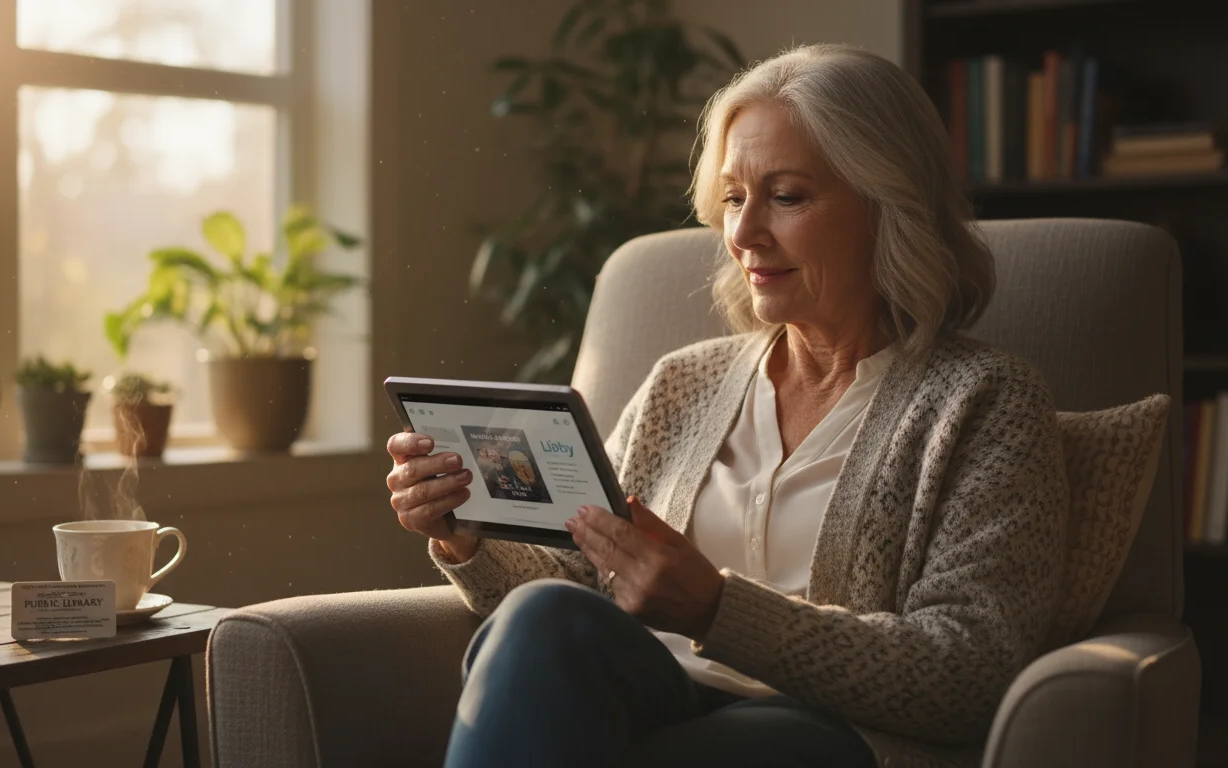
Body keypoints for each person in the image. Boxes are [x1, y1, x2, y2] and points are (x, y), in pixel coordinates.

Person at [385, 43, 1067, 768]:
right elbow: (580, 587)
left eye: (787, 195)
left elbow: (969, 671)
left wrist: (715, 608)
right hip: (654, 697)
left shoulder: (985, 401)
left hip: (829, 733)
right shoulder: (683, 384)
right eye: (735, 197)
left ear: (887, 205)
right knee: (542, 614)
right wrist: (467, 538)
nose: (742, 234)